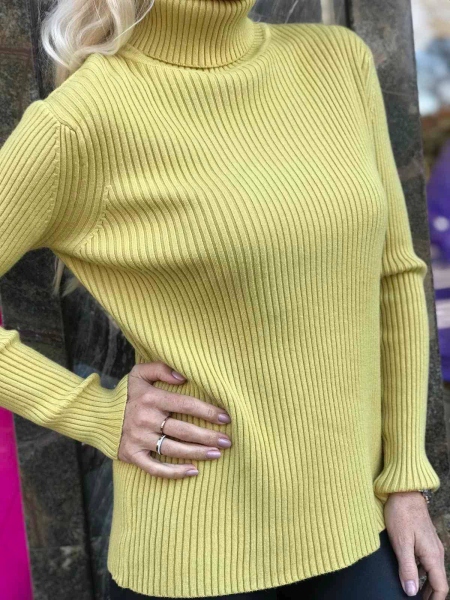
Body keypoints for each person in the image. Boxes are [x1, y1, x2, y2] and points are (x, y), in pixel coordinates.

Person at [0, 0, 447, 598]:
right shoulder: (81, 120)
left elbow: (394, 275)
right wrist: (96, 413)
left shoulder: (337, 62)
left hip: (362, 534)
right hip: (194, 558)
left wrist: (405, 481)